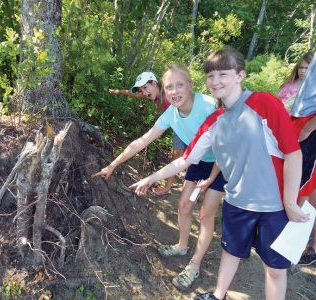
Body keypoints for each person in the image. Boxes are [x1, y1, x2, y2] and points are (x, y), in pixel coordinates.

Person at [130, 47, 309, 300]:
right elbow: (184, 160)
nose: (215, 82)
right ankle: (217, 295)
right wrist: (151, 178)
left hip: (274, 206)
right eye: (211, 76)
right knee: (230, 252)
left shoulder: (265, 103)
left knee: (274, 268)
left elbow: (293, 153)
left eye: (222, 74)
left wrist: (290, 201)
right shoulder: (215, 120)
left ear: (240, 75)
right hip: (236, 201)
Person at [94, 65, 226, 290]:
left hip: (222, 162)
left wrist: (213, 177)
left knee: (206, 214)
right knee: (184, 206)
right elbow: (142, 140)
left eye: (179, 85)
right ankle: (182, 246)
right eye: (170, 87)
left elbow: (228, 143)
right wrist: (113, 165)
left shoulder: (209, 105)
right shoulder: (170, 114)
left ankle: (194, 265)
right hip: (197, 159)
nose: (174, 91)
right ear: (164, 91)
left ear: (190, 86)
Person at [109, 71, 185, 196]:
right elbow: (137, 95)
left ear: (154, 83)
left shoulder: (169, 95)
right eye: (141, 89)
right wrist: (119, 91)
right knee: (176, 156)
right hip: (177, 127)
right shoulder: (154, 94)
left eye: (145, 87)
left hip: (187, 127)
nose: (144, 92)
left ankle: (182, 186)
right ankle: (169, 187)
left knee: (179, 155)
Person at [281, 51, 316, 265]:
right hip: (301, 122)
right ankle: (297, 244)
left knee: (303, 187)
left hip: (309, 126)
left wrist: (310, 128)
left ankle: (292, 246)